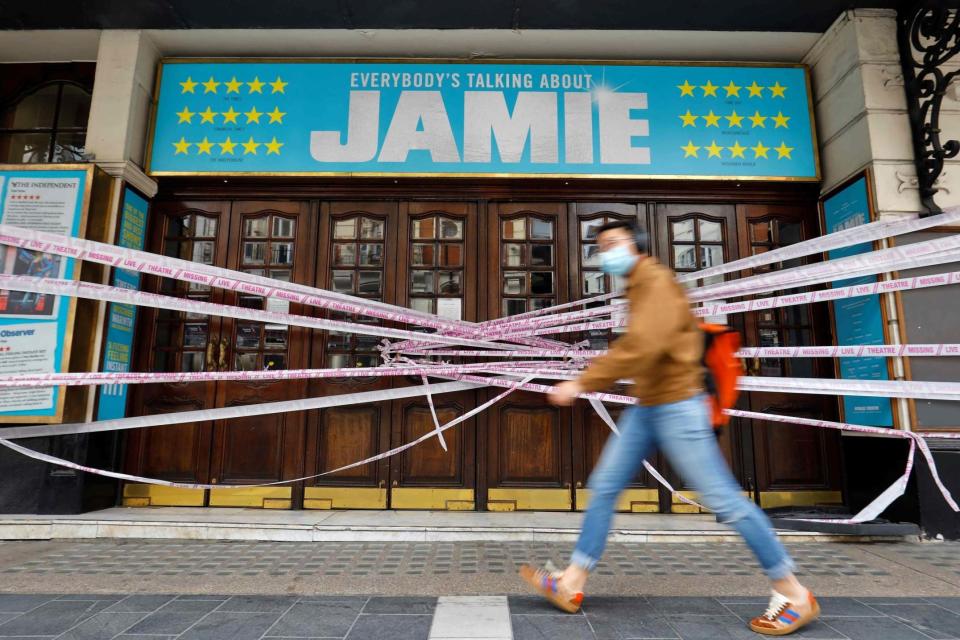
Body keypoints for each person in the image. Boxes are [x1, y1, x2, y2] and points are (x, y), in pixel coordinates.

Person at [518, 220, 820, 636]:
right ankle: (572, 582)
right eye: (601, 247)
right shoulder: (638, 287)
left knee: (724, 501)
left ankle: (794, 593)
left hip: (678, 406)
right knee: (605, 486)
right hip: (651, 406)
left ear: (637, 245)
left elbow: (642, 347)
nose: (606, 253)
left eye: (613, 244)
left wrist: (581, 381)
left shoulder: (655, 282)